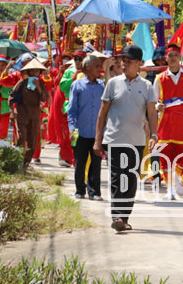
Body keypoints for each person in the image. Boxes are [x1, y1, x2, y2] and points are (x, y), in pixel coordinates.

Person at [95, 45, 158, 232]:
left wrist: (154, 134)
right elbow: (102, 113)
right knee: (116, 178)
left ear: (139, 64)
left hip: (136, 140)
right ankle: (117, 216)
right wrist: (98, 140)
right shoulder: (113, 83)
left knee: (130, 179)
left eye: (128, 61)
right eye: (123, 60)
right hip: (114, 139)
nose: (124, 63)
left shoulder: (146, 86)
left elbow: (152, 113)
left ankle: (125, 216)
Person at [153, 43, 183, 200]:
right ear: (165, 58)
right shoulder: (159, 79)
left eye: (175, 55)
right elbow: (153, 101)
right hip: (166, 121)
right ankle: (170, 188)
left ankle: (178, 178)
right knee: (165, 156)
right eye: (170, 55)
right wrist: (157, 106)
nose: (173, 58)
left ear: (180, 57)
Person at [67, 55, 105, 200]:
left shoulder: (102, 86)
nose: (99, 69)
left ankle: (94, 191)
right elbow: (72, 110)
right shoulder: (77, 85)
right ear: (88, 67)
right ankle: (80, 190)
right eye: (97, 66)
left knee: (96, 163)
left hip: (97, 133)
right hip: (80, 131)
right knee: (80, 162)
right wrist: (72, 128)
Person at [9, 58, 49, 168]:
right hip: (22, 113)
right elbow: (12, 96)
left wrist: (38, 88)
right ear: (29, 72)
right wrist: (12, 111)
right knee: (22, 137)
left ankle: (26, 162)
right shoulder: (22, 82)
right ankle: (18, 160)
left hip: (35, 114)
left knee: (33, 139)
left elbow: (44, 99)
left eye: (37, 71)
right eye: (33, 71)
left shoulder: (41, 84)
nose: (35, 73)